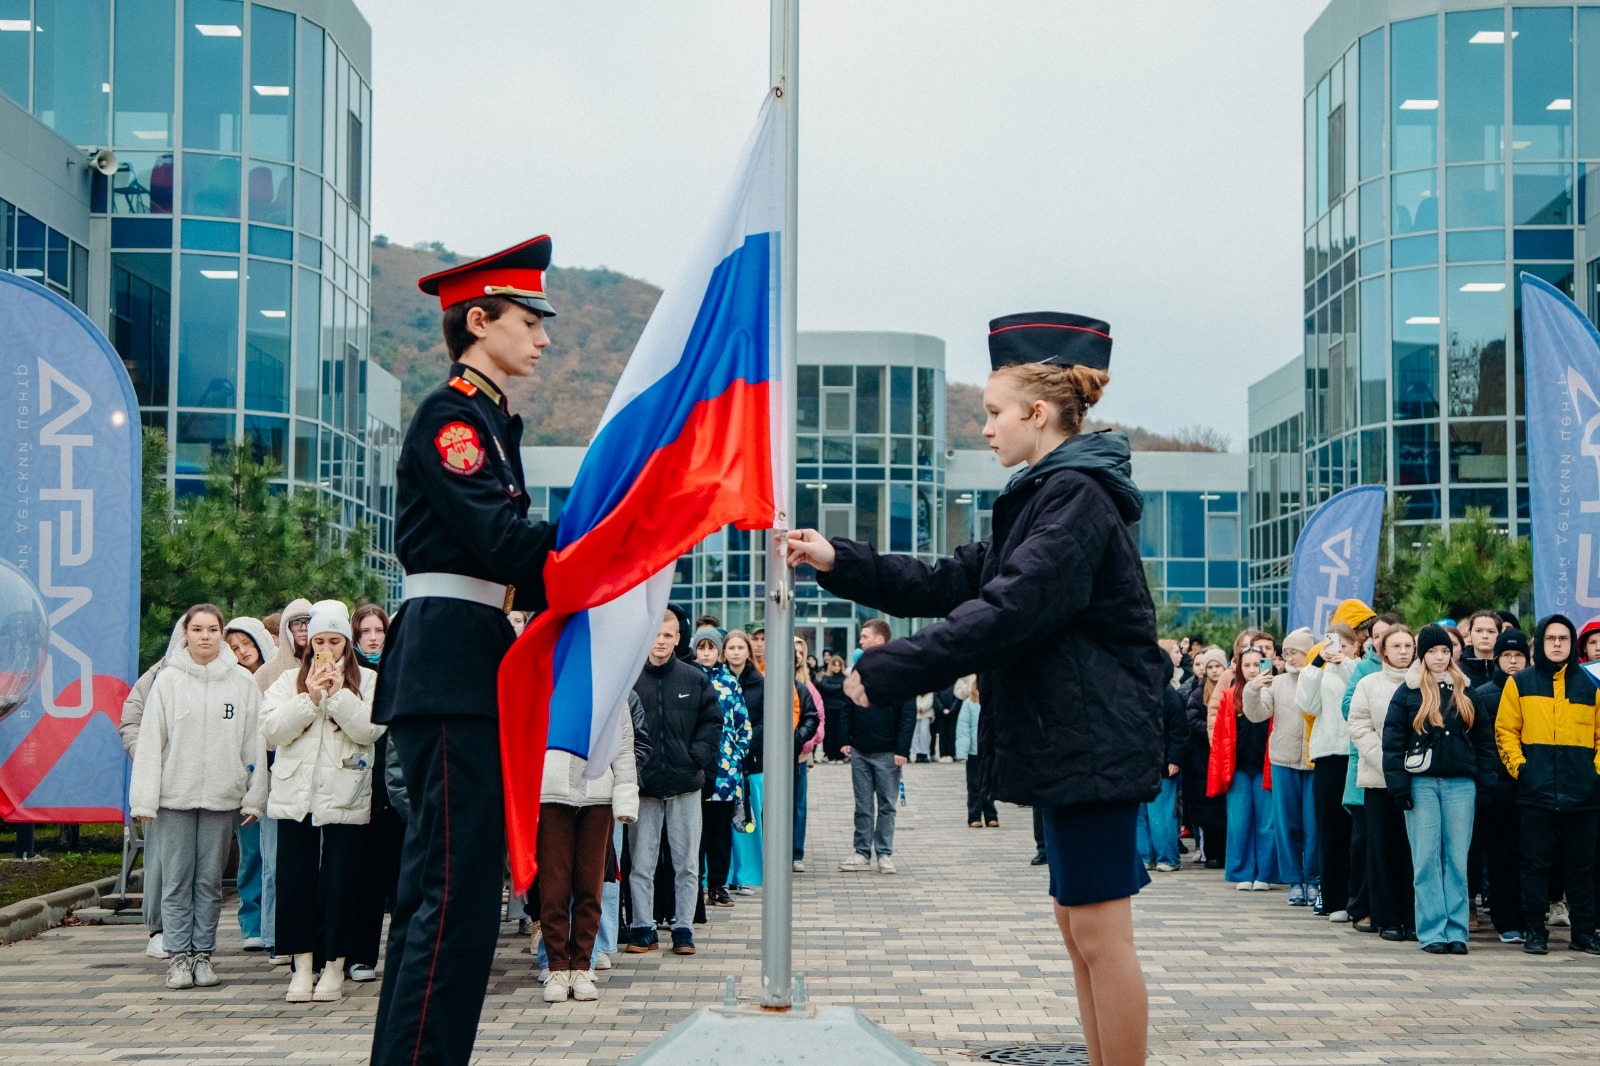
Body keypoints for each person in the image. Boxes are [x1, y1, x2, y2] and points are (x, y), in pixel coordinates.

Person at [788, 310, 1166, 1066]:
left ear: (1038, 411)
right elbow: (950, 579)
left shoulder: (1077, 501)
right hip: (1074, 739)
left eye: (993, 413)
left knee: (1098, 930)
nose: (985, 428)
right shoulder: (1044, 495)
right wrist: (840, 560)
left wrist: (888, 671)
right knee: (1077, 925)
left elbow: (1011, 610)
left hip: (1094, 740)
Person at [370, 237, 561, 1066]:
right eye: (529, 321)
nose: (543, 339)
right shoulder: (453, 416)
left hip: (465, 661)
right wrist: (609, 530)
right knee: (452, 898)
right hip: (451, 667)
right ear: (479, 322)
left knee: (444, 895)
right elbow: (502, 541)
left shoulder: (487, 415)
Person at [127, 604, 267, 991]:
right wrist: (144, 800)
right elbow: (152, 741)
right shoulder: (168, 681)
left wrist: (254, 797)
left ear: (222, 634)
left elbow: (254, 744)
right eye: (198, 629)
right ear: (185, 633)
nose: (206, 636)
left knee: (209, 882)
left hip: (223, 798)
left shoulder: (242, 683)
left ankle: (203, 954)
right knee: (176, 880)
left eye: (213, 629)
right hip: (174, 797)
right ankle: (177, 957)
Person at [261, 600, 383, 1002]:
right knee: (295, 881)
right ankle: (301, 965)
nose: (325, 649)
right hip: (296, 795)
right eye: (319, 641)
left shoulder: (366, 680)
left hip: (346, 794)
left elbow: (370, 730)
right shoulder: (287, 682)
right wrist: (309, 699)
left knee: (341, 881)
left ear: (347, 643)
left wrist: (339, 695)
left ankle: (334, 966)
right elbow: (272, 731)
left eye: (335, 640)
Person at [1382, 624, 1499, 955]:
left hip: (1462, 785)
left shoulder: (1467, 692)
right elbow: (1392, 744)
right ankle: (1432, 930)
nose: (1438, 657)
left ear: (1452, 654)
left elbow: (1485, 743)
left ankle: (1458, 931)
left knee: (1457, 859)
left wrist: (1487, 782)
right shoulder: (1408, 692)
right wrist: (1398, 787)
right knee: (1426, 858)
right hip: (1421, 784)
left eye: (1444, 651)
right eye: (1432, 651)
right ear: (1423, 654)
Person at [1494, 615, 1600, 956]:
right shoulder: (1520, 683)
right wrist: (1522, 770)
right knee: (1535, 865)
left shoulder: (1591, 686)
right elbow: (1505, 732)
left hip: (1583, 794)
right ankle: (1535, 931)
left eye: (1563, 639)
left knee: (1581, 867)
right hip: (1535, 793)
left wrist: (1594, 773)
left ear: (1573, 645)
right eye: (1551, 638)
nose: (1557, 644)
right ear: (1540, 643)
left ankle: (1583, 931)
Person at [625, 612, 720, 956]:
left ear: (678, 638)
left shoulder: (694, 679)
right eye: (656, 634)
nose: (661, 641)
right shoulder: (632, 680)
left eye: (668, 635)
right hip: (645, 786)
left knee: (687, 862)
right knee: (641, 864)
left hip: (684, 784)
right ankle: (642, 927)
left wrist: (696, 757)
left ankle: (683, 928)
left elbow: (713, 721)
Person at [537, 698, 638, 1003]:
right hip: (551, 794)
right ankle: (556, 966)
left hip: (598, 798)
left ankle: (582, 965)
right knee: (553, 888)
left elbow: (623, 748)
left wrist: (625, 799)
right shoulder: (549, 681)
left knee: (590, 887)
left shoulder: (613, 685)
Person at [119, 621, 185, 961]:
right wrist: (144, 752)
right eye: (192, 630)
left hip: (202, 787)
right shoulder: (157, 674)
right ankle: (158, 929)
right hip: (160, 784)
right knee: (159, 859)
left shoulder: (222, 677)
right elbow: (130, 721)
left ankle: (190, 934)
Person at [1347, 624, 1416, 941]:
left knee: (1413, 852)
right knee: (1381, 850)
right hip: (1378, 780)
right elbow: (1359, 727)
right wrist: (1390, 764)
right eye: (1396, 646)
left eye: (1408, 646)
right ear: (1382, 650)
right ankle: (1386, 917)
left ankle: (1414, 917)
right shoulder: (1367, 683)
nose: (1403, 651)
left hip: (1418, 780)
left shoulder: (1424, 684)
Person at [255, 597, 313, 967]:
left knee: (308, 862)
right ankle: (274, 935)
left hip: (315, 777)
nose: (304, 631)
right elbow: (257, 731)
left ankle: (307, 937)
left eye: (310, 623)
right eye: (297, 624)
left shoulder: (336, 669)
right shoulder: (269, 673)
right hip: (272, 771)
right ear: (285, 630)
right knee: (274, 860)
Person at [833, 620, 916, 874]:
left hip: (889, 753)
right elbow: (847, 707)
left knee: (887, 805)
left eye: (865, 636)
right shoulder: (858, 670)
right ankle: (861, 852)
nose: (861, 641)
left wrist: (902, 750)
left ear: (880, 640)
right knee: (863, 805)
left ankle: (884, 853)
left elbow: (908, 714)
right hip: (860, 750)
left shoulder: (900, 671)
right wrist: (845, 740)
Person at [346, 604, 401, 983]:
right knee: (363, 879)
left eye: (378, 630)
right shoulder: (348, 675)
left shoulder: (400, 670)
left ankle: (401, 957)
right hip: (358, 787)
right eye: (365, 631)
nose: (373, 637)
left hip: (398, 791)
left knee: (401, 880)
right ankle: (361, 954)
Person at [1246, 627, 1317, 904]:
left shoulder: (1319, 678)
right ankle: (1293, 880)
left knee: (1313, 824)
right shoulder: (1277, 683)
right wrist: (1254, 688)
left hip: (1314, 761)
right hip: (1283, 759)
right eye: (1286, 652)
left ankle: (1313, 878)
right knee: (1287, 824)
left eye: (1295, 652)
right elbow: (1257, 714)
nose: (1290, 657)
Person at [1470, 628, 1530, 944]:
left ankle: (1530, 917)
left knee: (1530, 857)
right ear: (1496, 660)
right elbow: (1481, 743)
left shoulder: (1534, 690)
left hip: (1531, 788)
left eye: (1518, 655)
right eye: (1506, 655)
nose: (1513, 661)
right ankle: (1507, 921)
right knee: (1501, 858)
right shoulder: (1482, 695)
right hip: (1496, 790)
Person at [1301, 623, 1361, 922]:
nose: (1339, 651)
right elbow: (1306, 704)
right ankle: (1333, 898)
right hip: (1327, 754)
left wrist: (1347, 663)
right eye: (1335, 645)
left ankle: (1356, 897)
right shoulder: (1320, 672)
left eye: (1346, 646)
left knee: (1356, 830)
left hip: (1356, 752)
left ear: (1355, 647)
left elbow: (1360, 694)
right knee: (1330, 828)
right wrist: (1317, 663)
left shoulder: (1360, 668)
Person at [689, 626, 750, 908]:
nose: (706, 653)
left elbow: (743, 724)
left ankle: (717, 884)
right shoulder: (687, 678)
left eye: (711, 648)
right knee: (694, 832)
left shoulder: (729, 682)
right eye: (701, 648)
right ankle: (695, 883)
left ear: (720, 652)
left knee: (720, 832)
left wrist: (736, 754)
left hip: (725, 771)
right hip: (695, 767)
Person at [222, 617, 274, 953]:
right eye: (235, 648)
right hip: (245, 779)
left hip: (281, 776)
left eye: (247, 643)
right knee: (252, 853)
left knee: (276, 858)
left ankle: (275, 922)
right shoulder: (230, 682)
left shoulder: (282, 675)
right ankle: (252, 922)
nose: (243, 652)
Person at [1208, 647, 1275, 889]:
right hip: (1237, 768)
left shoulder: (1273, 691)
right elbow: (1219, 737)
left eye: (1257, 664)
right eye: (1247, 665)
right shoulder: (1229, 695)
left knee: (1266, 823)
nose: (1252, 669)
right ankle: (1242, 873)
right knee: (1239, 822)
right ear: (1238, 667)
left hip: (1265, 766)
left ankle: (1265, 874)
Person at [1136, 660, 1188, 872]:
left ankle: (1168, 857)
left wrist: (1175, 759)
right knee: (1140, 815)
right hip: (1137, 766)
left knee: (1161, 813)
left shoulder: (1170, 696)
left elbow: (1180, 732)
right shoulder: (1135, 694)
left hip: (1164, 766)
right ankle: (1145, 856)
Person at [725, 629, 766, 891]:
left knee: (750, 821)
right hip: (724, 766)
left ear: (748, 652)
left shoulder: (761, 683)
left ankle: (748, 875)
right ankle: (724, 876)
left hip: (752, 764)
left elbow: (765, 721)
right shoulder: (716, 680)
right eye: (732, 648)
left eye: (741, 648)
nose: (736, 652)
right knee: (722, 824)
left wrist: (745, 743)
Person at [1184, 648, 1228, 869]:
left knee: (1225, 809)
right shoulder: (1197, 694)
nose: (1213, 671)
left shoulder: (1231, 689)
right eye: (1209, 667)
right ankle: (1211, 853)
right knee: (1208, 810)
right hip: (1203, 759)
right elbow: (1191, 721)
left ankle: (1227, 852)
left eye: (1217, 666)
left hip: (1226, 756)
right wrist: (1214, 731)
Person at [793, 636, 826, 871]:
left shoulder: (809, 685)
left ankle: (795, 852)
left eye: (799, 650)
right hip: (770, 756)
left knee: (798, 804)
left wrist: (808, 742)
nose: (795, 655)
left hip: (800, 754)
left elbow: (818, 718)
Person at [956, 676, 998, 827]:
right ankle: (974, 816)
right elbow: (963, 729)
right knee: (974, 784)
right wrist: (962, 751)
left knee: (989, 783)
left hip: (989, 749)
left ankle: (991, 815)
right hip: (974, 750)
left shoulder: (992, 703)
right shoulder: (969, 704)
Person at [1461, 610, 1503, 689]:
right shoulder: (1458, 669)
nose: (1485, 636)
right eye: (1479, 631)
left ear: (1499, 634)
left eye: (1491, 631)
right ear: (1470, 633)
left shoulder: (1506, 667)